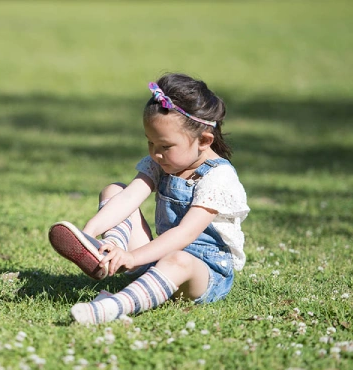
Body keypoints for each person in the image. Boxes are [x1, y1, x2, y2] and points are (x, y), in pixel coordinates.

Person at [49, 73, 250, 325]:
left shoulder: (218, 177)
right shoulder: (161, 162)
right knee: (115, 190)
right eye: (150, 143)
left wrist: (133, 258)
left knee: (178, 259)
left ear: (204, 140)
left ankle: (113, 306)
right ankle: (104, 253)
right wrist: (88, 233)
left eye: (165, 146)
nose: (156, 153)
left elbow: (184, 235)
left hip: (200, 273)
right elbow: (128, 200)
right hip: (155, 259)